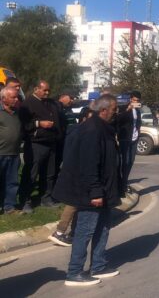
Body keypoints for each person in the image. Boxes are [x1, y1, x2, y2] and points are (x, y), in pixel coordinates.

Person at [53, 94, 121, 286]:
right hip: (90, 191)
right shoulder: (92, 131)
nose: (116, 114)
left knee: (103, 227)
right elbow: (89, 164)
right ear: (103, 111)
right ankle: (74, 272)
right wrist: (96, 192)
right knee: (85, 229)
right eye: (114, 110)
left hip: (105, 188)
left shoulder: (103, 128)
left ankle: (98, 265)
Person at [49, 108, 95, 247]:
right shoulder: (81, 133)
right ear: (84, 119)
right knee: (74, 203)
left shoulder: (75, 131)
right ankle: (60, 232)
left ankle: (72, 232)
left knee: (78, 202)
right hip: (77, 171)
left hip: (73, 169)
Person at [18, 80, 62, 212]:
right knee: (31, 173)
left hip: (51, 142)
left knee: (49, 174)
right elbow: (24, 125)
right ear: (36, 89)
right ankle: (25, 200)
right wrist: (39, 124)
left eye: (49, 90)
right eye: (44, 90)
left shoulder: (49, 102)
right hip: (36, 144)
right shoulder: (28, 103)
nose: (47, 93)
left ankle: (46, 198)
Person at [0, 88, 22, 215]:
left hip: (14, 154)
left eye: (17, 97)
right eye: (13, 97)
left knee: (12, 182)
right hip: (0, 153)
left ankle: (10, 207)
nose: (16, 99)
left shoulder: (17, 112)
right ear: (4, 99)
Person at [117, 90, 142, 194]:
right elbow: (118, 120)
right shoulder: (123, 108)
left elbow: (138, 123)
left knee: (130, 162)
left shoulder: (138, 110)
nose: (136, 102)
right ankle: (121, 184)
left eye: (138, 100)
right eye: (135, 100)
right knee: (125, 162)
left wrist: (138, 133)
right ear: (131, 99)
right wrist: (128, 109)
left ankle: (124, 183)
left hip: (134, 139)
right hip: (125, 139)